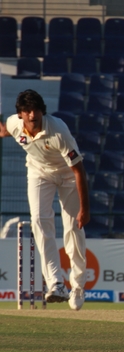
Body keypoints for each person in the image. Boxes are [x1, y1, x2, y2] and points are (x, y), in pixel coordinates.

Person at [0, 89, 90, 311]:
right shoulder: (14, 123)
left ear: (42, 111)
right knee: (40, 221)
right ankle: (56, 283)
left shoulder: (58, 130)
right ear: (20, 114)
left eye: (36, 110)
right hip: (39, 172)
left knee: (73, 229)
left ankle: (77, 287)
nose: (32, 115)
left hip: (68, 175)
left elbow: (79, 170)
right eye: (27, 111)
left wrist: (85, 210)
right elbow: (5, 131)